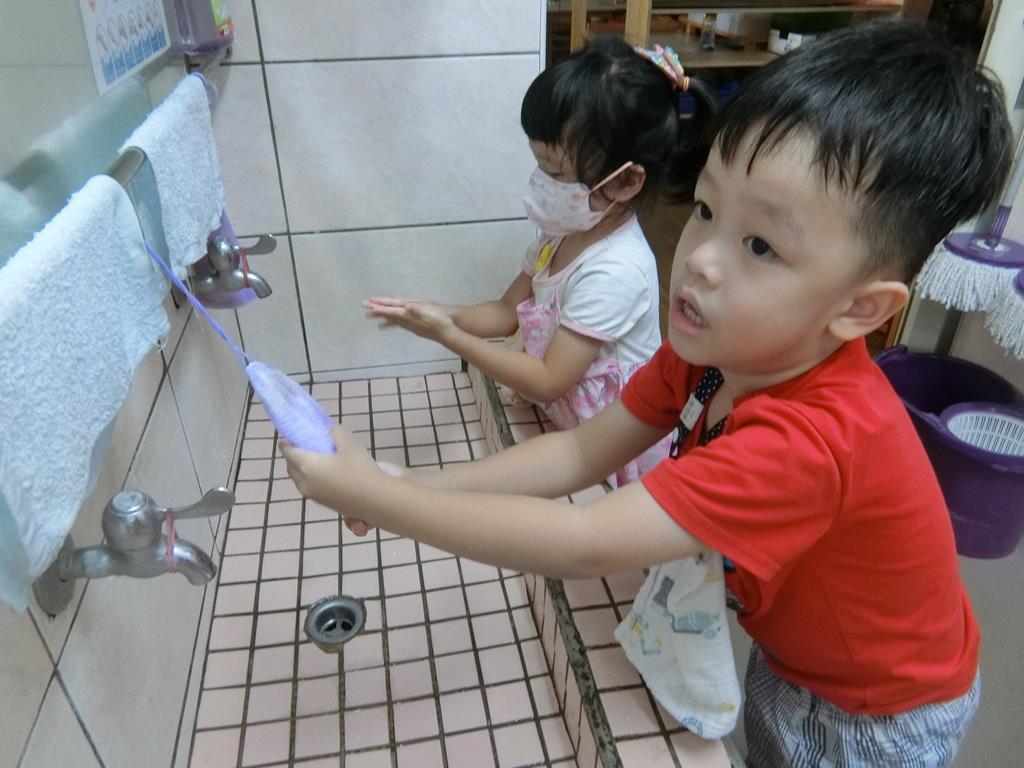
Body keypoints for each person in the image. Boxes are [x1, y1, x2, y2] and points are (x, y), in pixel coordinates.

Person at [283, 19, 1011, 767]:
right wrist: (407, 483)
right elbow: (577, 453)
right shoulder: (712, 356)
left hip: (878, 713)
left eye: (760, 246)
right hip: (799, 655)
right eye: (706, 211)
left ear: (859, 310)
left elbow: (584, 541)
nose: (699, 260)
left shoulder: (811, 438)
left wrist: (383, 502)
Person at [364, 34, 715, 487]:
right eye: (539, 165)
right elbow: (505, 311)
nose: (540, 183)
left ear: (626, 181)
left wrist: (449, 336)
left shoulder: (617, 271)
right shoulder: (562, 233)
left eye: (555, 172)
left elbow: (549, 379)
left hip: (611, 445)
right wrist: (438, 312)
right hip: (570, 423)